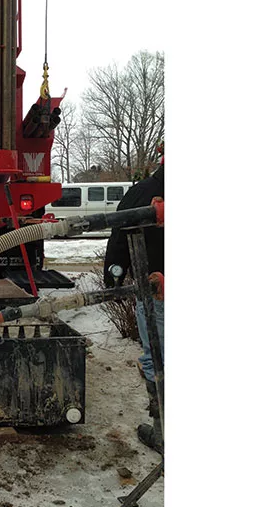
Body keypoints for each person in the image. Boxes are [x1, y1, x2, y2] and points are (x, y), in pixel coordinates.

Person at [103, 149, 164, 453]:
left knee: (159, 359)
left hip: (157, 295)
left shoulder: (141, 194)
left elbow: (119, 237)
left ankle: (163, 429)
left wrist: (114, 276)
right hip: (158, 291)